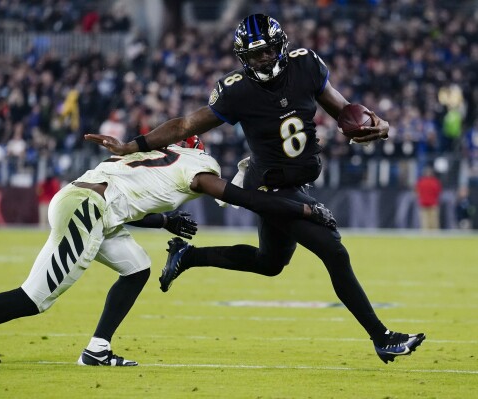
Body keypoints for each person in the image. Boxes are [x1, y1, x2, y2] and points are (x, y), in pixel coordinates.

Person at [86, 14, 425, 364]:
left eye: (265, 52)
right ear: (241, 58)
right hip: (268, 186)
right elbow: (186, 124)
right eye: (252, 55)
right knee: (333, 250)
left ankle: (189, 256)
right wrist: (133, 145)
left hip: (297, 181)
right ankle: (382, 337)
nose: (260, 60)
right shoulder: (236, 90)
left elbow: (344, 111)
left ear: (280, 45)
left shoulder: (306, 65)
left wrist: (379, 126)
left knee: (270, 263)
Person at [0, 136, 334, 367]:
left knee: (137, 267)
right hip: (87, 209)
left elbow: (129, 204)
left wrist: (166, 221)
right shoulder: (198, 168)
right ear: (198, 150)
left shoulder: (158, 156)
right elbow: (240, 199)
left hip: (91, 205)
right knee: (33, 298)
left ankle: (98, 347)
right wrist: (300, 207)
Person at [415, 166, 442, 230]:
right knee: (431, 222)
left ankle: (427, 235)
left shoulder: (422, 182)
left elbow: (417, 193)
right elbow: (438, 193)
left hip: (428, 203)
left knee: (428, 222)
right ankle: (432, 235)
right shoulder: (434, 182)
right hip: (429, 203)